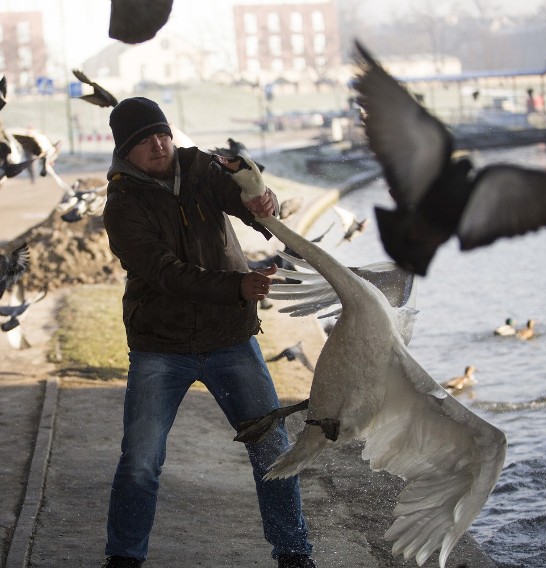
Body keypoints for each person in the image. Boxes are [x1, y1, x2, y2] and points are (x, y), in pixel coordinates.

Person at [100, 97, 316, 568]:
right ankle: (124, 557)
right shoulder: (121, 206)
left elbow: (243, 200)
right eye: (144, 141)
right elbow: (164, 273)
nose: (159, 145)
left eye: (163, 134)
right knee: (141, 458)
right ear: (125, 151)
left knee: (272, 447)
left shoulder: (199, 167)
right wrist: (237, 285)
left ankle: (294, 552)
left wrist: (260, 200)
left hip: (230, 338)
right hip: (161, 346)